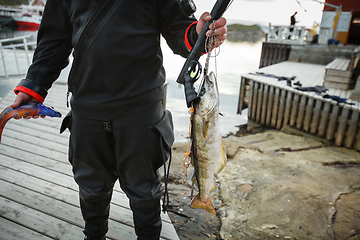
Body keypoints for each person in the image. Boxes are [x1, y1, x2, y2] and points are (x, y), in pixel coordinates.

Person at [10, 0, 227, 239]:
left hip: (141, 109)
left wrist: (197, 34)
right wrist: (32, 87)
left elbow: (179, 30)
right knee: (91, 190)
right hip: (86, 108)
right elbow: (53, 41)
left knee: (145, 193)